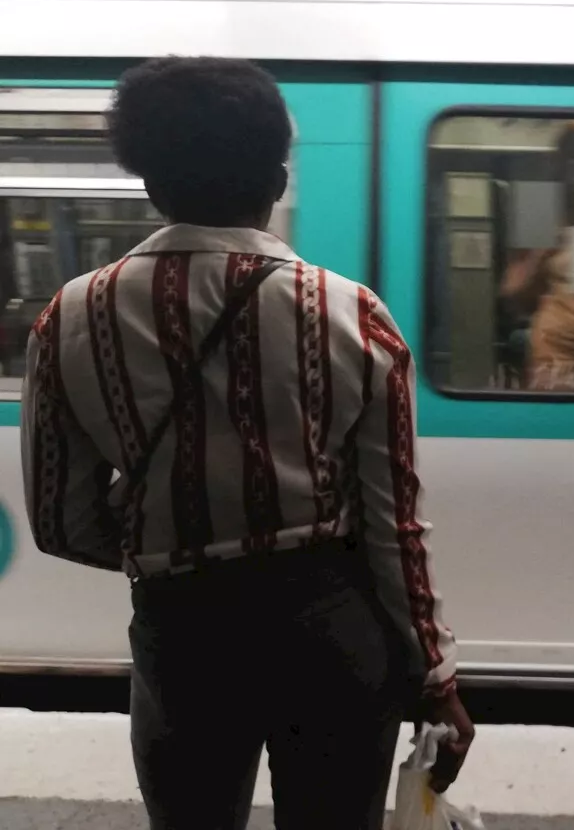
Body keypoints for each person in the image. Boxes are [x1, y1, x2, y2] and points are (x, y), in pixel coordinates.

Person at [19, 57, 471, 830]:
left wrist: (172, 538)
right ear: (278, 176)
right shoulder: (350, 314)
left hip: (182, 630)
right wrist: (436, 675)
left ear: (152, 185)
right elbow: (393, 523)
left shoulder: (69, 318)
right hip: (331, 625)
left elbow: (64, 523)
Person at [499, 124, 574, 392]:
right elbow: (513, 293)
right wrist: (540, 254)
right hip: (557, 359)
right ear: (560, 163)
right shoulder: (541, 209)